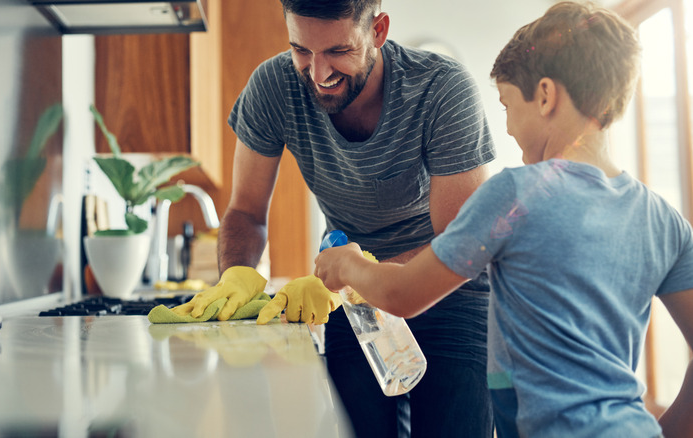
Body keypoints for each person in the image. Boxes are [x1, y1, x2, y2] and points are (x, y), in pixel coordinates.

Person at [314, 2, 693, 437]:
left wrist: (347, 263)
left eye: (508, 105)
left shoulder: (516, 196)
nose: (509, 128)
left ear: (546, 95)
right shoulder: (664, 219)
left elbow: (403, 295)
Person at [171, 0, 496, 436]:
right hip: (348, 299)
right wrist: (236, 276)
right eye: (302, 50)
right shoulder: (274, 86)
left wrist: (360, 272)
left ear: (378, 31)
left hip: (446, 294)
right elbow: (246, 211)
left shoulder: (442, 90)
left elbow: (458, 243)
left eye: (338, 51)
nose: (318, 73)